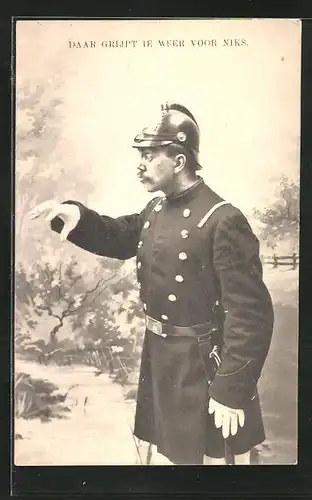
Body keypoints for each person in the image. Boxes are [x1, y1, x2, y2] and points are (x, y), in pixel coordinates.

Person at [30, 102, 274, 465]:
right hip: (161, 363)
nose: (140, 164)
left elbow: (251, 317)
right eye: (140, 155)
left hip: (202, 371)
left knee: (213, 472)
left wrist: (230, 390)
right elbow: (119, 235)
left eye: (149, 155)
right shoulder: (156, 210)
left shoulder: (222, 220)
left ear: (179, 161)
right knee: (163, 467)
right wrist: (78, 216)